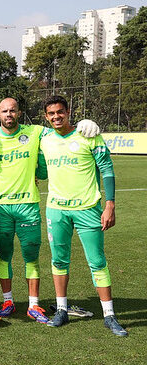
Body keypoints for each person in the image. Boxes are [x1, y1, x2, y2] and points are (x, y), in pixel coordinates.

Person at [0, 98, 100, 323]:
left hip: (28, 205)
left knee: (32, 258)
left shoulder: (36, 132)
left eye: (12, 110)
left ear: (19, 113)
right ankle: (7, 301)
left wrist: (83, 124)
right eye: (4, 111)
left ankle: (33, 304)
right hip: (0, 207)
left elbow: (60, 127)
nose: (9, 114)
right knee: (4, 257)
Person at [37, 95, 126, 336]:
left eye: (60, 112)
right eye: (51, 114)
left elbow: (106, 168)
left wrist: (110, 205)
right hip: (56, 209)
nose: (56, 117)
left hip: (88, 209)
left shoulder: (89, 134)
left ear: (68, 112)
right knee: (58, 260)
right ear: (46, 117)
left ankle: (109, 315)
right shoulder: (43, 139)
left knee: (97, 261)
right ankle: (62, 310)